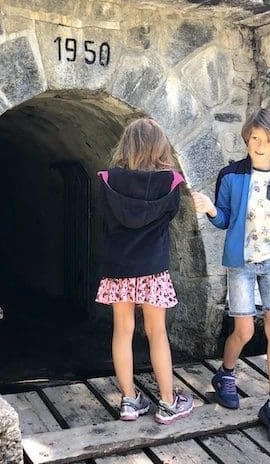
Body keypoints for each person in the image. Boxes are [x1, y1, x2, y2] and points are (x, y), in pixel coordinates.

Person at [191, 108, 270, 449]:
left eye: (266, 140)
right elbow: (224, 219)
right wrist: (211, 209)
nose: (259, 145)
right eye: (254, 138)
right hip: (241, 264)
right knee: (243, 330)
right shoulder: (230, 175)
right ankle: (225, 374)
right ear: (247, 139)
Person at [96, 118, 194, 425]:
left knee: (122, 332)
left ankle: (129, 400)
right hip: (153, 268)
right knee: (157, 333)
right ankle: (167, 402)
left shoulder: (107, 180)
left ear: (126, 144)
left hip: (119, 267)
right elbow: (170, 216)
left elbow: (105, 216)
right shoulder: (172, 182)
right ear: (159, 147)